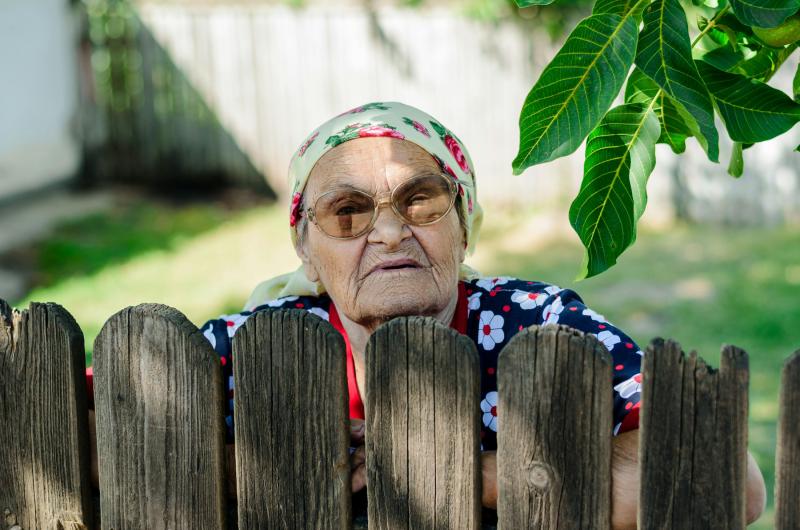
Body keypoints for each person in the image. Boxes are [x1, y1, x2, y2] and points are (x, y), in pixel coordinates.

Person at [88, 101, 766, 528]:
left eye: (420, 201)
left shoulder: (537, 323)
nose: (388, 234)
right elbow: (78, 424)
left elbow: (729, 485)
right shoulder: (248, 346)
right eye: (347, 212)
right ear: (306, 245)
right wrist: (252, 462)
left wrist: (454, 470)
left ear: (464, 226)